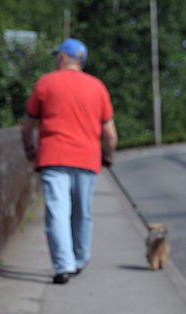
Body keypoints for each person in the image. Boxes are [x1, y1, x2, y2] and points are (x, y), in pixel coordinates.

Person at [22, 37, 117, 284]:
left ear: (63, 57)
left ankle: (63, 265)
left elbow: (27, 125)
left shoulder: (45, 83)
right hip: (86, 159)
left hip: (53, 156)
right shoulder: (98, 87)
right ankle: (80, 259)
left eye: (57, 56)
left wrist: (29, 148)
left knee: (57, 211)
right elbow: (109, 132)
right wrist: (108, 155)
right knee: (82, 212)